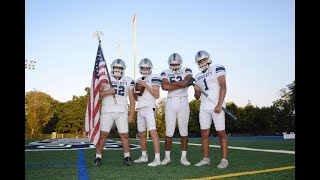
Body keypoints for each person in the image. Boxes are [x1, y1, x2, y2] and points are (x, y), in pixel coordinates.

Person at [93, 59, 135, 166]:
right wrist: (108, 91)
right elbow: (97, 94)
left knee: (125, 135)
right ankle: (98, 157)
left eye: (120, 68)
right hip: (107, 110)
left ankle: (127, 157)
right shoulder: (105, 78)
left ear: (123, 69)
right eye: (116, 67)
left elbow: (132, 98)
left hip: (122, 110)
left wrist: (131, 114)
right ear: (112, 68)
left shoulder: (129, 80)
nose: (118, 69)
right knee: (103, 135)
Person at [193, 50, 229, 168]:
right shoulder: (197, 76)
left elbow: (223, 86)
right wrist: (197, 91)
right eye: (199, 61)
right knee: (204, 132)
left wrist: (219, 104)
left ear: (208, 59)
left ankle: (224, 160)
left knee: (220, 132)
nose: (202, 62)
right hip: (204, 105)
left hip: (216, 104)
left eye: (203, 59)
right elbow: (197, 97)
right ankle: (205, 159)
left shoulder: (217, 68)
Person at [160, 53, 193, 166]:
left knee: (184, 131)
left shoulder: (186, 69)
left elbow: (188, 81)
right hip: (170, 101)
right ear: (169, 64)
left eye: (176, 64)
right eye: (172, 64)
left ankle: (183, 158)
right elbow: (164, 87)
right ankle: (167, 157)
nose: (174, 66)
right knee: (169, 132)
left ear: (180, 63)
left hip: (183, 100)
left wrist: (172, 84)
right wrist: (182, 84)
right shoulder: (165, 72)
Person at [133, 58, 162, 167]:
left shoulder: (154, 77)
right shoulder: (138, 80)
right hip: (140, 108)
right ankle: (144, 156)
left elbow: (157, 95)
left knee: (153, 132)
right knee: (141, 133)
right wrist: (136, 90)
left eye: (147, 68)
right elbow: (136, 98)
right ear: (140, 68)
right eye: (143, 68)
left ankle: (157, 158)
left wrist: (145, 85)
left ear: (150, 68)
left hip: (149, 107)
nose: (145, 69)